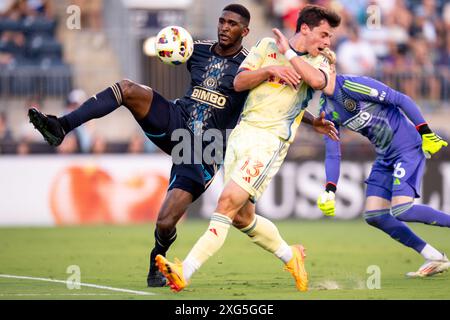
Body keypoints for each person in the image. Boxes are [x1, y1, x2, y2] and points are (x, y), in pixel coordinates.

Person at [156, 5, 341, 293]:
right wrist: (270, 70)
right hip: (241, 136)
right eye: (324, 34)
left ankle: (185, 271)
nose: (328, 41)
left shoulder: (319, 62)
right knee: (243, 217)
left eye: (329, 37)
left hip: (269, 143)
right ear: (305, 28)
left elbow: (319, 83)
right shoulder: (266, 46)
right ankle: (289, 255)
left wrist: (289, 58)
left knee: (226, 204)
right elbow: (239, 82)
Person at [316, 66, 450, 277]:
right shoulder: (325, 108)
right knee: (375, 215)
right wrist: (330, 189)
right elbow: (333, 153)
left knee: (401, 210)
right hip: (385, 157)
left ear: (330, 67)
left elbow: (401, 99)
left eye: (318, 66)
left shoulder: (352, 84)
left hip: (407, 148)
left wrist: (425, 131)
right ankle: (434, 256)